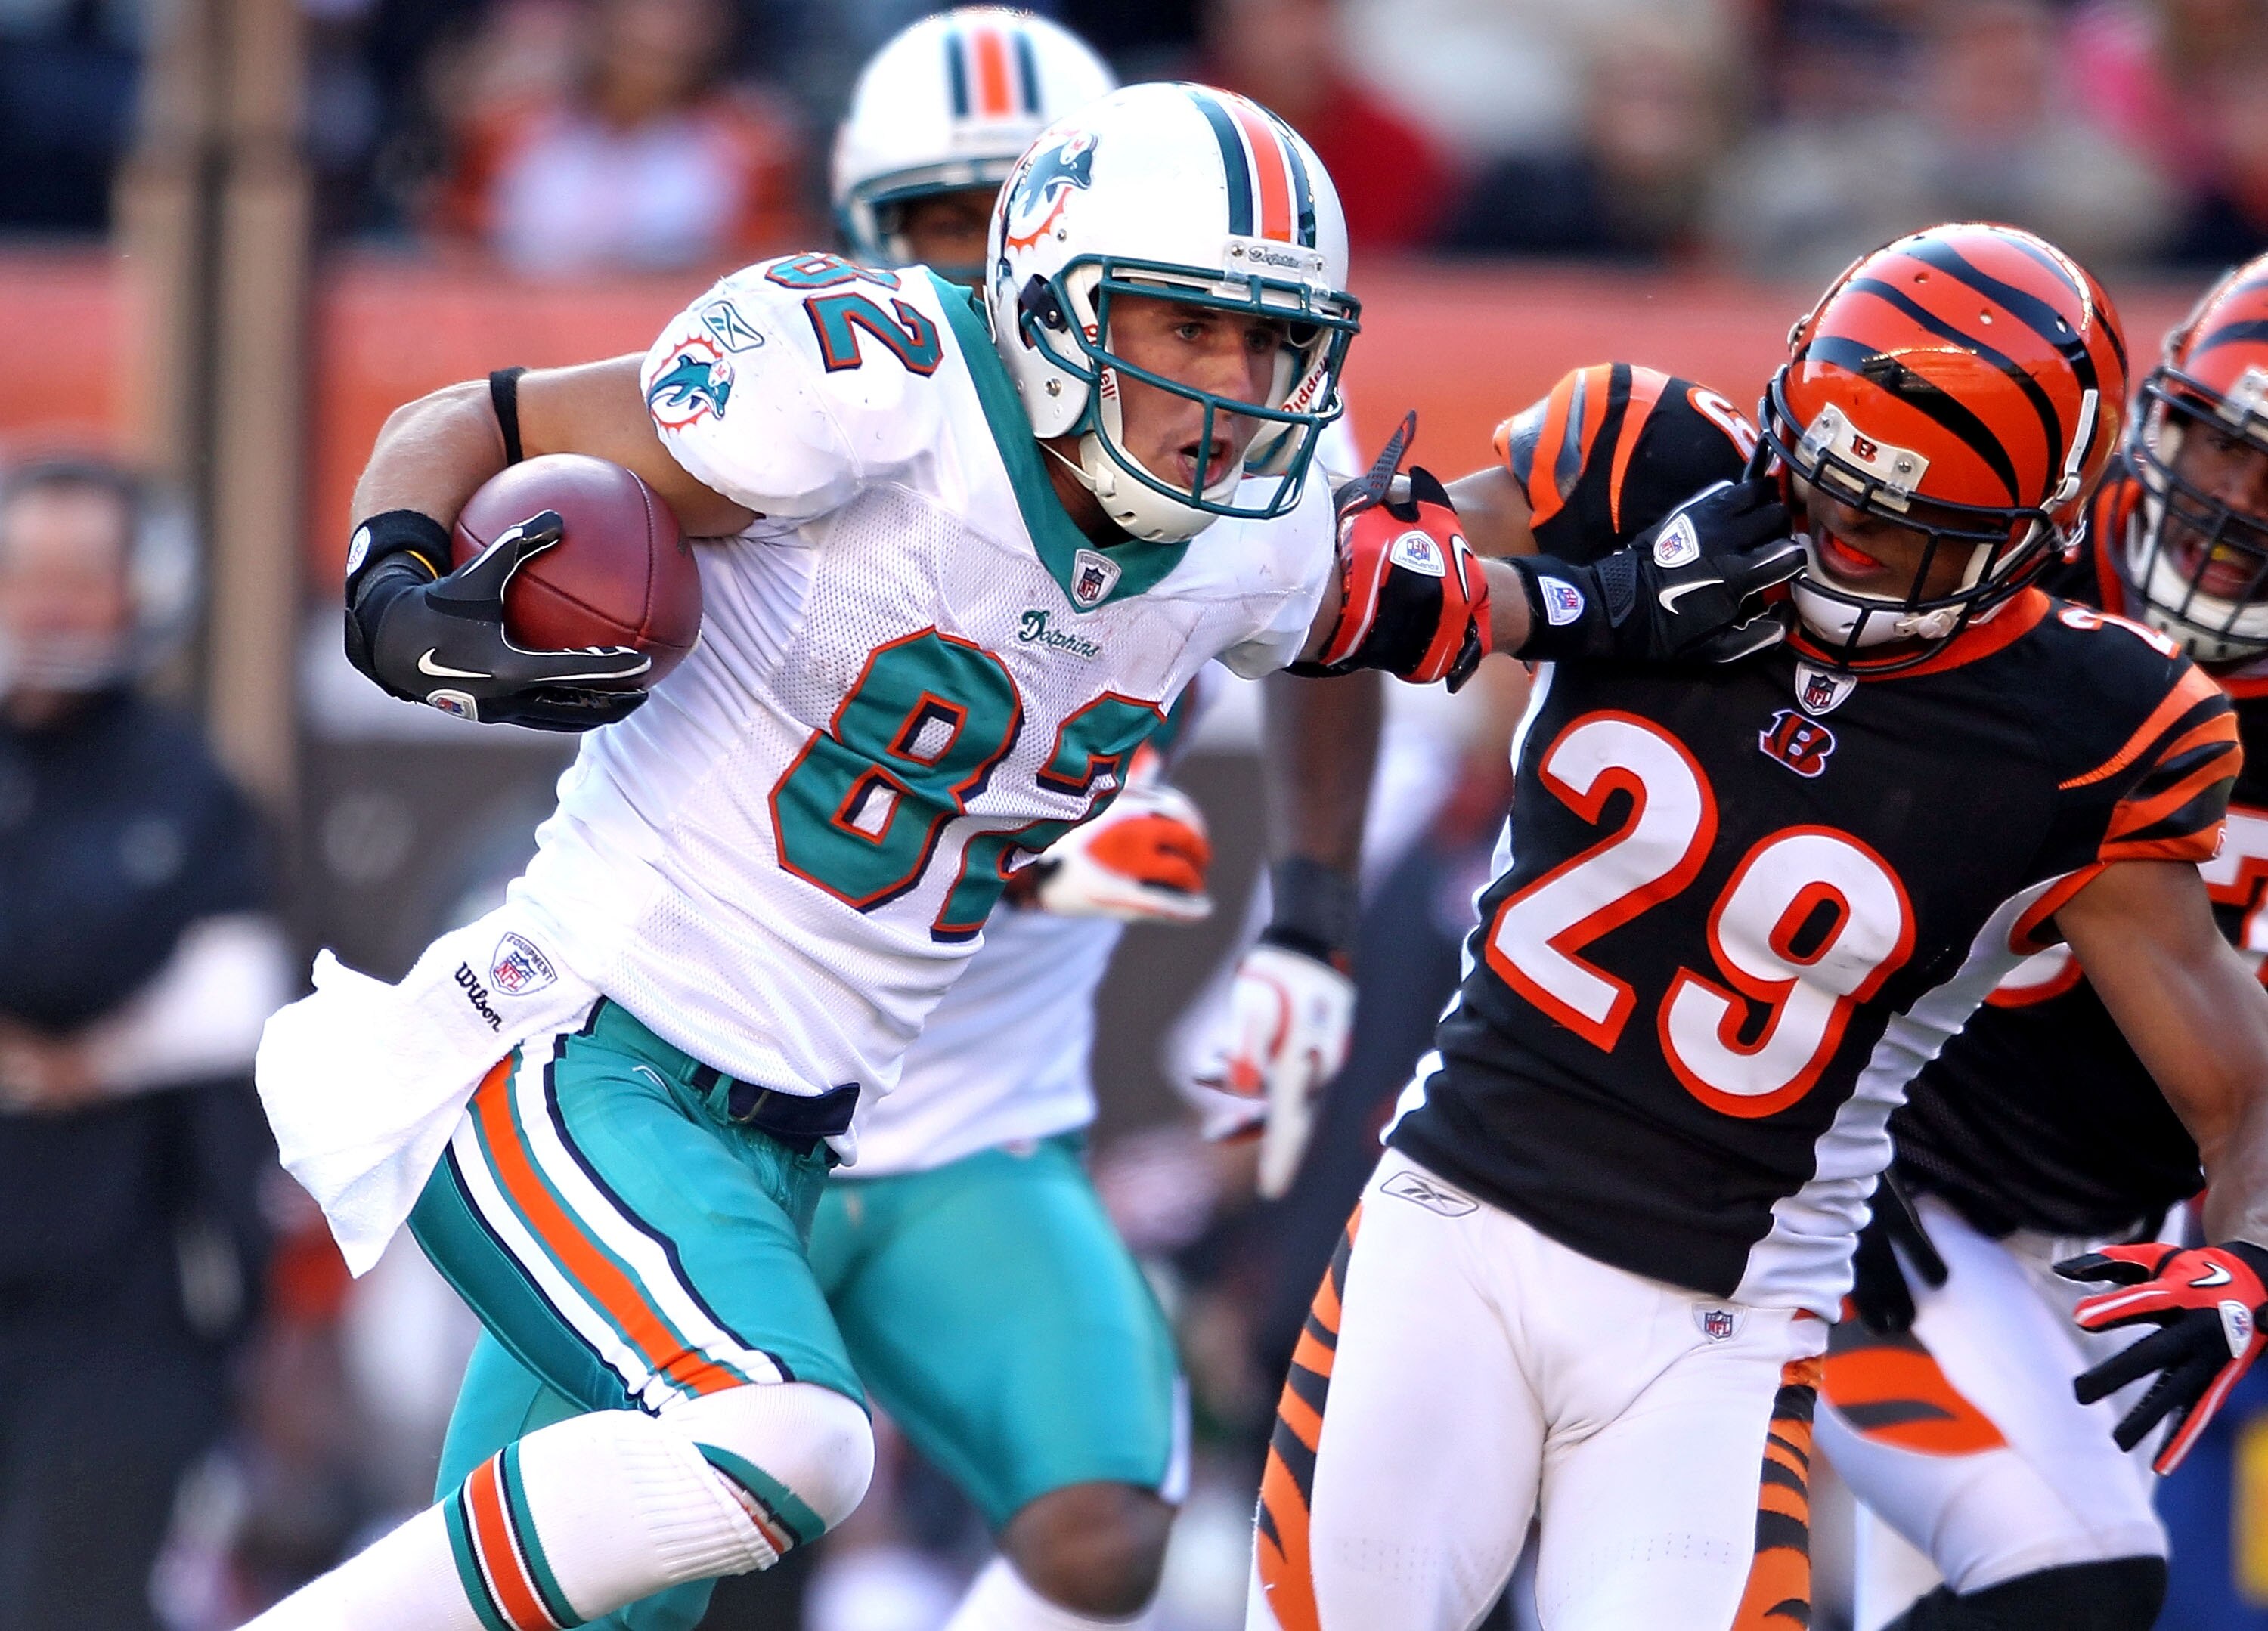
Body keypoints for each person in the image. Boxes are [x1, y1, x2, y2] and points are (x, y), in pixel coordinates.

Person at [252, 76, 1775, 1629]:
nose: (1235, 386)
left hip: (790, 1133)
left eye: (1273, 343)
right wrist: (393, 586)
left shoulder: (1250, 532)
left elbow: (1415, 598)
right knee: (783, 1437)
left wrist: (1619, 598)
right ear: (1056, 301)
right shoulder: (870, 388)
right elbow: (471, 421)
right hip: (580, 1049)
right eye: (1191, 328)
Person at [1241, 221, 2268, 1631]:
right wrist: (1599, 601)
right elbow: (1328, 582)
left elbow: (2243, 1088)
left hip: (1720, 1323)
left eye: (1901, 529)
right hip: (1453, 1223)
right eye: (1827, 487)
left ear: (2030, 542)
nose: (1841, 542)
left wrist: (2247, 1258)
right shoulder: (1651, 463)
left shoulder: (2087, 730)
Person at [425, 25, 1221, 1631]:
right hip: (668, 1067)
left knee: (1096, 1528)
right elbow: (491, 431)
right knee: (638, 1554)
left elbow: (1315, 605)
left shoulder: (1202, 481)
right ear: (872, 231)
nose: (984, 258)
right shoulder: (829, 407)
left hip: (957, 1123)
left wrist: (1319, 915)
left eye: (1014, 214)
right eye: (944, 220)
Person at [1814, 249, 2268, 1631]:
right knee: (2075, 1584)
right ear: (2157, 419)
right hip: (1891, 1200)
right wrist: (1809, 1124)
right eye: (2219, 442)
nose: (2234, 502)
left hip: (2122, 1250)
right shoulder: (2008, 553)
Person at [0, 458, 287, 1629]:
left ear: (142, 588)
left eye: (84, 574)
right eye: (27, 572)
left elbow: (212, 990)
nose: (53, 606)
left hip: (125, 1292)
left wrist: (88, 1045)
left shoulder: (188, 783)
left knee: (68, 1600)